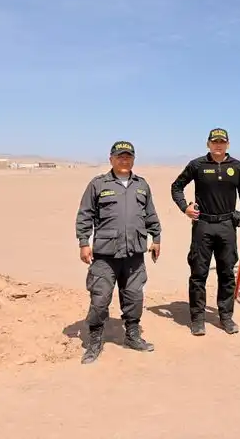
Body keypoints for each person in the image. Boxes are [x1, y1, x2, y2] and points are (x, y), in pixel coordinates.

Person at [75, 140, 162, 364]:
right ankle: (95, 340)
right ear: (111, 159)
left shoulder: (142, 185)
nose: (124, 160)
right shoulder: (98, 184)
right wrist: (84, 242)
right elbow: (85, 215)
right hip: (105, 255)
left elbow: (150, 215)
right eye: (120, 156)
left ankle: (132, 335)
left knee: (134, 296)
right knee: (100, 298)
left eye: (128, 156)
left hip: (134, 253)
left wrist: (157, 238)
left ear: (133, 159)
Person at [170, 128, 240, 336]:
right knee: (199, 273)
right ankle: (197, 319)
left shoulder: (237, 167)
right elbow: (176, 187)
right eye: (214, 141)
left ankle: (225, 317)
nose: (218, 145)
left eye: (222, 142)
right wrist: (185, 208)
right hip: (203, 226)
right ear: (208, 144)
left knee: (227, 273)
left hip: (227, 226)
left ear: (228, 144)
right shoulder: (197, 165)